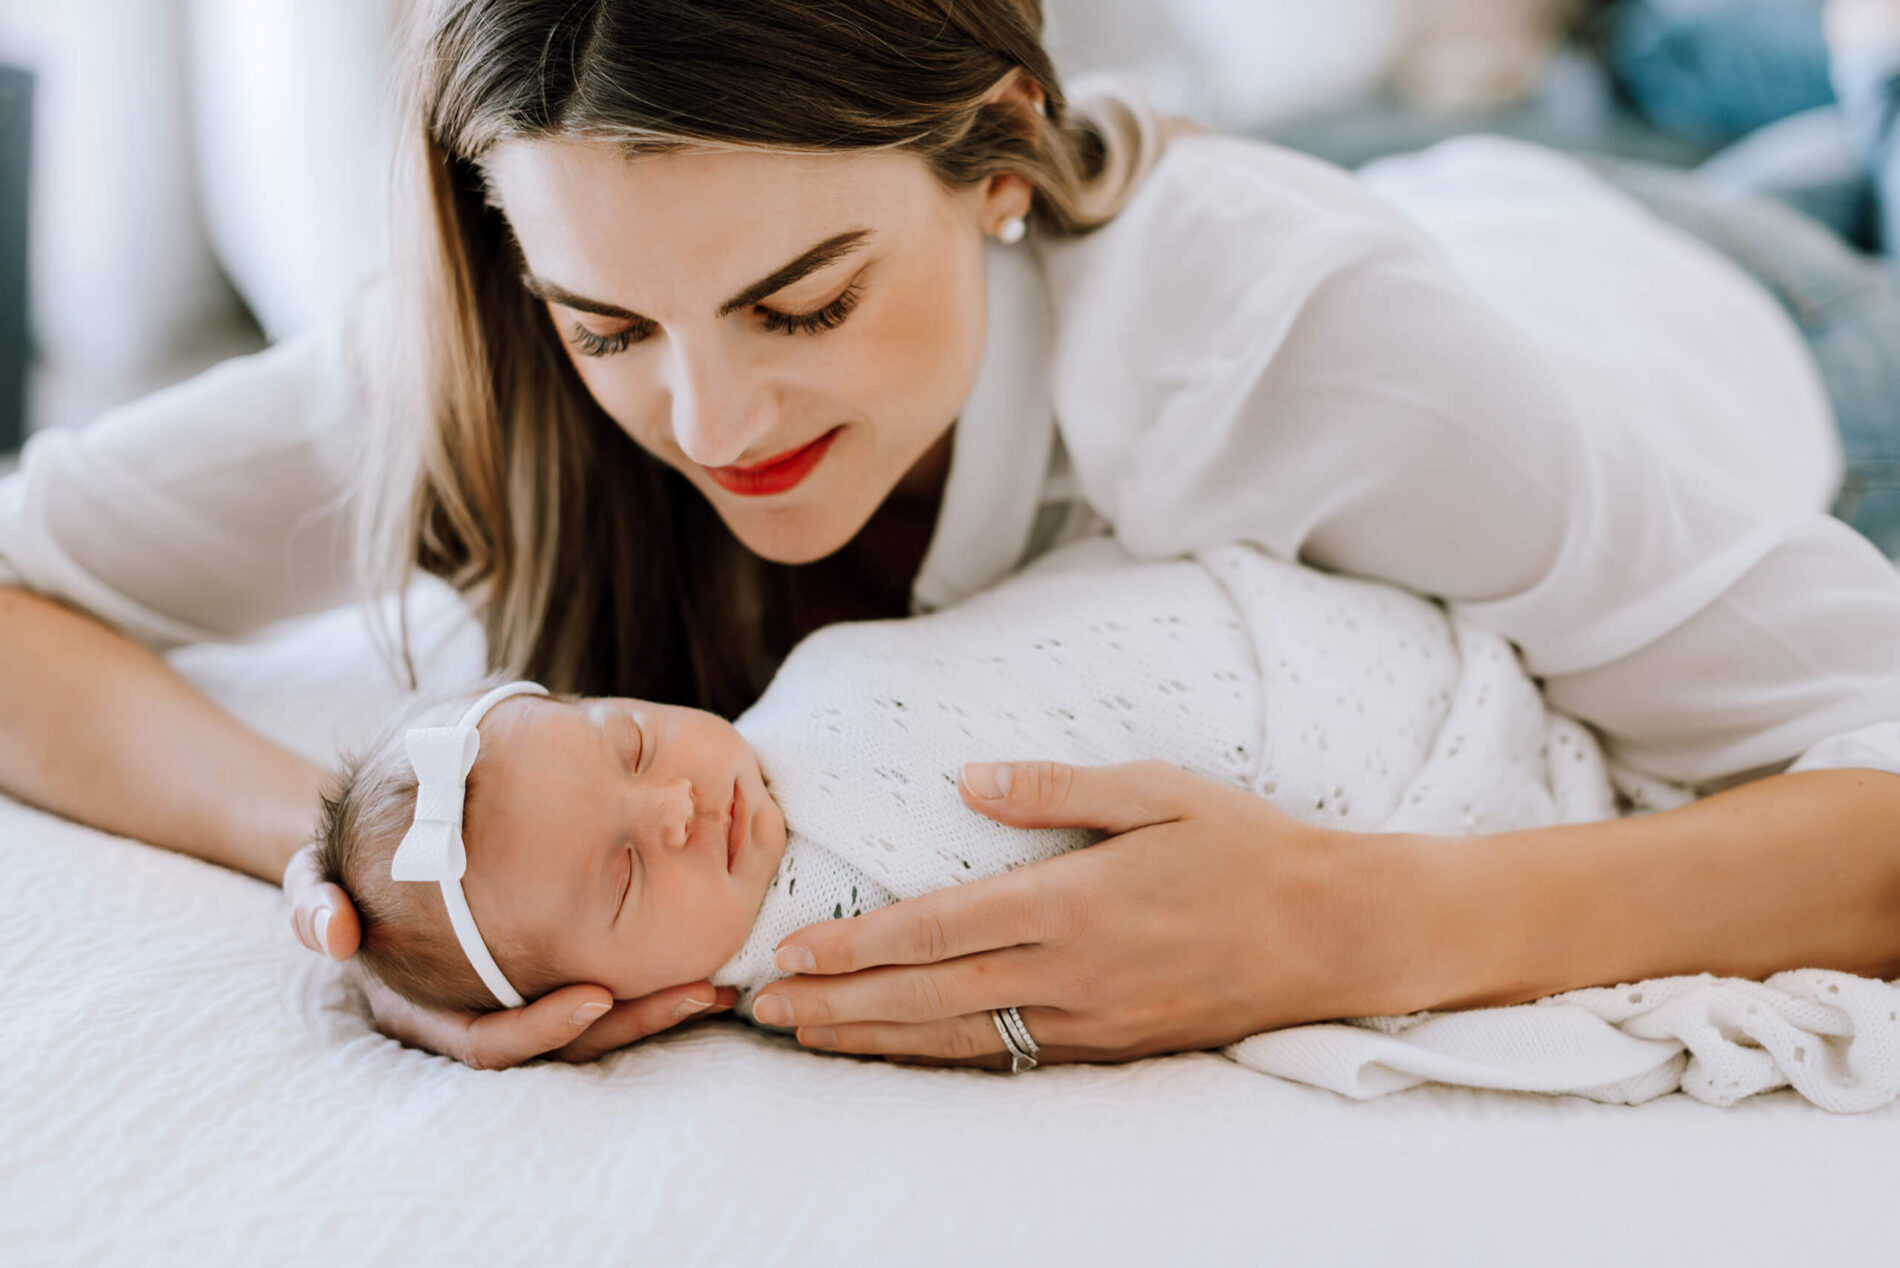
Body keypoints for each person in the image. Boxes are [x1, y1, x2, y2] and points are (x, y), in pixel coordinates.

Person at [3, 0, 1899, 1075]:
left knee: (1740, 119)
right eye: (610, 335)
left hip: (1714, 317)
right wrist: (382, 884)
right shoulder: (488, 339)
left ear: (996, 163)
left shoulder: (1304, 351)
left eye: (802, 304)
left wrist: (1346, 927)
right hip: (1390, 189)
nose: (713, 425)